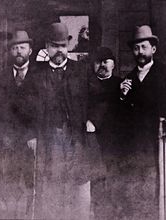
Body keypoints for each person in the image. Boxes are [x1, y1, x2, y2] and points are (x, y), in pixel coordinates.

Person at [32, 22, 92, 220]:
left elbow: (96, 98)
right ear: (47, 47)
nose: (59, 50)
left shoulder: (81, 71)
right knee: (51, 185)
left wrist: (93, 122)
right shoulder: (36, 74)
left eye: (63, 46)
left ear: (68, 47)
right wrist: (30, 135)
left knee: (75, 186)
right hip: (48, 138)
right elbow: (23, 108)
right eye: (55, 46)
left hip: (75, 137)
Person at [118, 25, 166, 219]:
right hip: (136, 149)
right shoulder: (128, 79)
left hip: (159, 145)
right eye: (136, 48)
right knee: (137, 194)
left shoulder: (163, 74)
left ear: (153, 49)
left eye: (143, 47)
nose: (139, 52)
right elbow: (122, 117)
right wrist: (121, 96)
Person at [0, 30, 37, 219]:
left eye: (22, 47)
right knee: (9, 183)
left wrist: (33, 135)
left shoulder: (40, 75)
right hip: (9, 140)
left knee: (31, 183)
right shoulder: (2, 77)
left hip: (32, 141)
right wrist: (4, 135)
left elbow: (42, 110)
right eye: (15, 48)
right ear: (11, 52)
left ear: (30, 50)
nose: (19, 51)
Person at [87, 47, 122, 220]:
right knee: (96, 184)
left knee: (115, 184)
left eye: (106, 61)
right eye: (98, 62)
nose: (102, 65)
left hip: (115, 143)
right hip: (93, 143)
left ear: (113, 64)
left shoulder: (121, 84)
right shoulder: (86, 85)